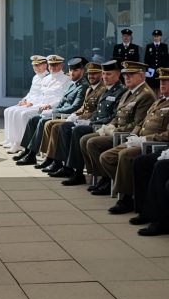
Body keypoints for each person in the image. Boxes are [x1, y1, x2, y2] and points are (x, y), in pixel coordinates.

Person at [99, 67, 169, 214]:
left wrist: (144, 139)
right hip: (140, 140)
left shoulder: (148, 95)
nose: (162, 84)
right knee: (107, 157)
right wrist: (134, 136)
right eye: (161, 81)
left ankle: (126, 198)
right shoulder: (159, 101)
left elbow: (166, 134)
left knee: (125, 156)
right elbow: (142, 123)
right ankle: (131, 189)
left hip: (154, 145)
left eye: (166, 81)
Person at [81, 61, 156, 196]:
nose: (126, 77)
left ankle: (110, 181)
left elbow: (137, 123)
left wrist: (115, 131)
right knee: (86, 140)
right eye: (125, 74)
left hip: (126, 134)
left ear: (141, 76)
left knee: (93, 142)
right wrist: (110, 125)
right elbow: (118, 116)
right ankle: (104, 178)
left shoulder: (145, 95)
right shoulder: (129, 92)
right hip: (118, 131)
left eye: (131, 74)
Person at [15, 57, 89, 167]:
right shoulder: (71, 84)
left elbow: (75, 107)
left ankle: (41, 156)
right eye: (71, 70)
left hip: (67, 115)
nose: (72, 73)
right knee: (33, 119)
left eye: (75, 70)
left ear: (82, 71)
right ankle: (28, 151)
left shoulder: (83, 86)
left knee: (43, 121)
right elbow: (62, 101)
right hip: (59, 111)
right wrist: (53, 110)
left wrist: (53, 111)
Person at [38, 61, 105, 178]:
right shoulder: (90, 89)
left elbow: (97, 111)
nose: (91, 76)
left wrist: (81, 117)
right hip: (81, 118)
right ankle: (57, 161)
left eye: (95, 74)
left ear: (101, 74)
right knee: (55, 126)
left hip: (93, 122)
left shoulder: (101, 89)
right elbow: (83, 107)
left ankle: (71, 168)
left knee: (65, 128)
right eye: (90, 74)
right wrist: (75, 114)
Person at [7, 55, 71, 154]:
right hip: (40, 105)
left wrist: (50, 105)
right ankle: (21, 143)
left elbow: (63, 98)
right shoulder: (47, 78)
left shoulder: (66, 79)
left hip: (52, 107)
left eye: (55, 65)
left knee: (24, 114)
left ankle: (26, 145)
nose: (52, 68)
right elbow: (40, 94)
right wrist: (26, 101)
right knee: (18, 112)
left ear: (61, 65)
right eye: (51, 65)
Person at [0, 55, 49, 148]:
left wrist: (31, 103)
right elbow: (31, 93)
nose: (36, 68)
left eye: (38, 65)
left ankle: (22, 143)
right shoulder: (36, 77)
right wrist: (24, 100)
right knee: (8, 110)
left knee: (22, 114)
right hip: (29, 103)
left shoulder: (47, 77)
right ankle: (10, 139)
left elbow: (44, 96)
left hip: (38, 105)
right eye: (34, 65)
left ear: (45, 65)